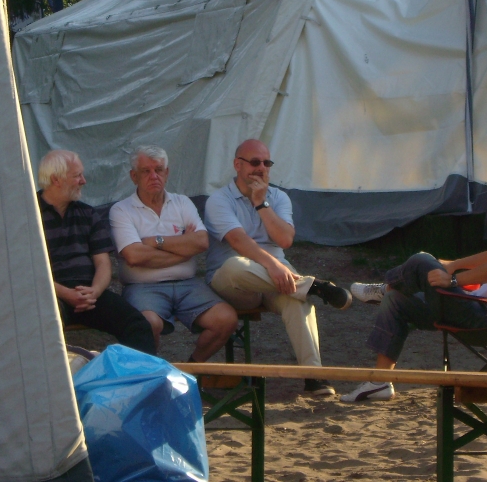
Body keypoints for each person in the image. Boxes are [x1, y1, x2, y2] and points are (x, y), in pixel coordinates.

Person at [342, 179, 487, 402]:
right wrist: (454, 265)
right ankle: (380, 381)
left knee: (421, 260)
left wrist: (453, 280)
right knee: (395, 300)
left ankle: (384, 287)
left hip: (481, 319)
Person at [204, 139, 352, 396]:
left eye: (267, 163)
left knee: (297, 300)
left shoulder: (278, 197)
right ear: (237, 165)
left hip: (276, 278)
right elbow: (238, 241)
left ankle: (313, 376)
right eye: (255, 162)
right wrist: (273, 265)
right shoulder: (219, 200)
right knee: (235, 266)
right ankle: (313, 286)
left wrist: (261, 204)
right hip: (235, 283)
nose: (261, 168)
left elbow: (285, 240)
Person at [110, 146, 238, 362]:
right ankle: (154, 375)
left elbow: (201, 241)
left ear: (167, 172)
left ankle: (192, 369)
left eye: (159, 170)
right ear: (134, 176)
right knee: (147, 324)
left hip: (188, 284)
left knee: (226, 319)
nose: (154, 176)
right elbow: (134, 256)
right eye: (146, 171)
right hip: (143, 287)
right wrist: (183, 250)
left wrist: (155, 242)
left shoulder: (182, 202)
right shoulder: (121, 210)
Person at [37, 150, 156, 355]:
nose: (83, 181)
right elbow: (28, 270)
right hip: (50, 294)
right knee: (43, 329)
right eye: (77, 176)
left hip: (89, 294)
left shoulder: (88, 214)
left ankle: (135, 374)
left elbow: (103, 263)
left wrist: (95, 292)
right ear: (56, 180)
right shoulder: (29, 214)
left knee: (138, 325)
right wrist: (66, 294)